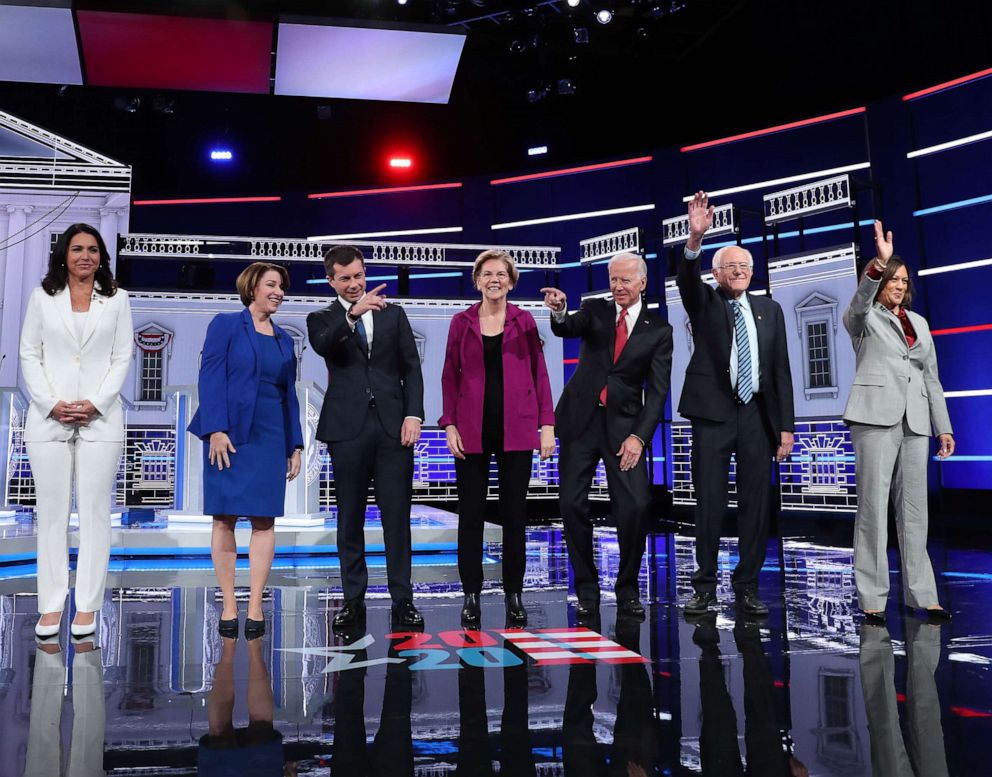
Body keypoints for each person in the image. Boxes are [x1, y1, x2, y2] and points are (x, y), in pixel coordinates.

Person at [679, 191, 795, 617]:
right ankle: (704, 587)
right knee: (710, 502)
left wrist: (785, 426)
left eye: (746, 267)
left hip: (756, 417)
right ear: (717, 272)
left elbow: (780, 370)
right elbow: (687, 281)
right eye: (732, 267)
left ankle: (746, 586)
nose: (741, 272)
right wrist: (695, 238)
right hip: (712, 415)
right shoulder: (706, 300)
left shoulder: (770, 310)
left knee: (755, 504)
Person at [541, 252, 672, 621]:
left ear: (642, 283)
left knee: (635, 506)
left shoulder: (658, 330)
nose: (617, 286)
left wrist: (639, 438)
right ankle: (586, 588)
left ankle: (628, 586)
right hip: (581, 423)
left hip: (624, 430)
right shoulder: (595, 309)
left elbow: (658, 391)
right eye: (613, 279)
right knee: (570, 504)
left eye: (625, 280)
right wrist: (560, 310)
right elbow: (566, 327)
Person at [20, 223, 133, 639]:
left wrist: (96, 403)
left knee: (94, 515)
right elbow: (29, 354)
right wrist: (52, 403)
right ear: (64, 255)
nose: (84, 256)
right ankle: (50, 606)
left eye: (92, 249)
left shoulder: (117, 300)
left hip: (100, 419)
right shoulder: (41, 298)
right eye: (76, 249)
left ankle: (86, 606)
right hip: (49, 416)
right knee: (50, 517)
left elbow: (123, 356)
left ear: (101, 256)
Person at [307, 245, 425, 629]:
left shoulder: (394, 315)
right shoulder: (321, 318)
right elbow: (325, 346)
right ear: (331, 281)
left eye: (359, 275)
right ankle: (353, 600)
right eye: (346, 278)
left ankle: (403, 601)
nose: (356, 283)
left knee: (397, 518)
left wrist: (414, 414)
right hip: (348, 430)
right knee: (350, 519)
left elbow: (411, 368)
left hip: (394, 428)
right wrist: (352, 315)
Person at [842, 221, 954, 623]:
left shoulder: (919, 323)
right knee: (873, 508)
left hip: (916, 421)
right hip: (874, 417)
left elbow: (931, 377)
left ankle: (923, 594)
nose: (899, 286)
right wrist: (877, 265)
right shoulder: (864, 317)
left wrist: (944, 427)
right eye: (893, 279)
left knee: (915, 510)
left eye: (904, 280)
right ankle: (872, 596)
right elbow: (858, 304)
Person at [187, 262, 304, 639]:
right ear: (252, 287)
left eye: (282, 287)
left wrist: (294, 444)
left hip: (271, 435)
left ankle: (254, 604)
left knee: (264, 520)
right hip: (231, 434)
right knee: (224, 518)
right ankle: (228, 603)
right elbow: (209, 376)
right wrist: (216, 429)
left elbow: (290, 397)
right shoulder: (225, 324)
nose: (279, 292)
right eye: (272, 284)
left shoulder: (285, 339)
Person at [439, 249, 555, 627]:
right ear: (477, 280)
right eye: (487, 273)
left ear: (511, 280)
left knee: (514, 515)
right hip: (470, 429)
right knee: (470, 515)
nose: (494, 279)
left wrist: (547, 425)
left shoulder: (524, 321)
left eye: (501, 274)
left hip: (517, 429)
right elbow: (448, 377)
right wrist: (449, 424)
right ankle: (471, 594)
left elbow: (540, 374)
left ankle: (514, 595)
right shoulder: (461, 322)